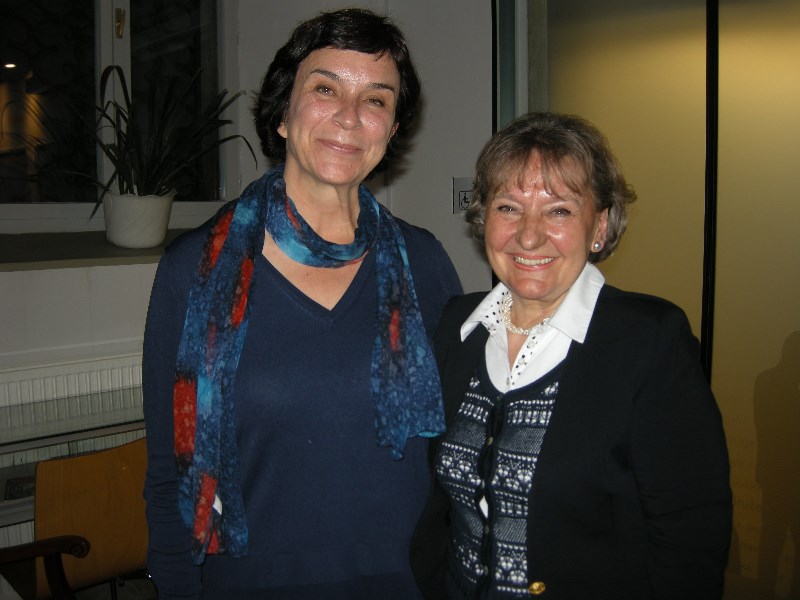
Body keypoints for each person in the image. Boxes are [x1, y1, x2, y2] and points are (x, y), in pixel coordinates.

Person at [142, 8, 462, 599]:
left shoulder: (426, 263)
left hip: (409, 582)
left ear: (392, 129)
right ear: (282, 113)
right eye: (325, 89)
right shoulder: (194, 270)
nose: (349, 116)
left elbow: (459, 447)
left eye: (376, 99)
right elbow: (168, 476)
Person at [410, 111, 732, 599]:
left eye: (558, 211)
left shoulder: (649, 342)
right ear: (484, 218)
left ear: (599, 225)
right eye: (508, 207)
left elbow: (690, 532)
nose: (529, 235)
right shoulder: (457, 326)